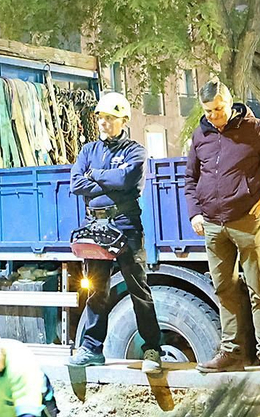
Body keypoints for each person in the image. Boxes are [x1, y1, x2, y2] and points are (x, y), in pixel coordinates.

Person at [185, 81, 260, 377]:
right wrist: (194, 214)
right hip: (212, 226)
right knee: (224, 289)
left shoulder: (255, 129)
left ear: (230, 102)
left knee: (259, 290)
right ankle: (231, 354)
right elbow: (190, 178)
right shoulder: (200, 134)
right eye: (208, 111)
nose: (214, 116)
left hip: (248, 223)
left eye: (219, 109)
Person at [67, 91, 164, 372]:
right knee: (96, 290)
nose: (104, 123)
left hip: (125, 226)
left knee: (139, 289)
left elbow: (128, 180)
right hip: (95, 226)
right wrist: (111, 180)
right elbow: (76, 184)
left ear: (123, 119)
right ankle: (91, 349)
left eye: (110, 118)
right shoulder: (88, 151)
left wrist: (94, 174)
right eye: (101, 118)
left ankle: (152, 350)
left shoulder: (135, 151)